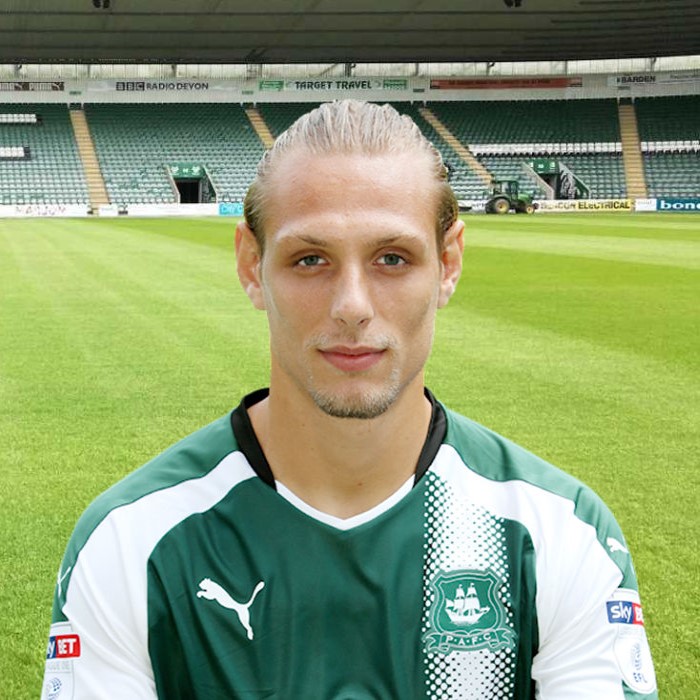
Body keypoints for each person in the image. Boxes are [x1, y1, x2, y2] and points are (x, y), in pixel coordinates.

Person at [42, 100, 657, 699]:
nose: (352, 307)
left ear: (447, 264)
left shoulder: (558, 534)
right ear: (252, 266)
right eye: (310, 259)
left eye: (392, 258)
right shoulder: (132, 541)